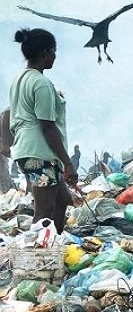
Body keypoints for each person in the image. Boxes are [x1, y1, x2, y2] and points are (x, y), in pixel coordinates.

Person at [9, 28, 77, 232]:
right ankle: (37, 256)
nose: (55, 56)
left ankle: (53, 243)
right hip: (40, 153)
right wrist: (68, 163)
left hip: (27, 150)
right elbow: (47, 126)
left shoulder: (21, 78)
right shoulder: (41, 83)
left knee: (63, 198)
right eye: (54, 51)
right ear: (45, 53)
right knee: (44, 211)